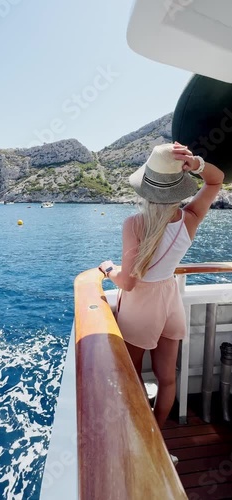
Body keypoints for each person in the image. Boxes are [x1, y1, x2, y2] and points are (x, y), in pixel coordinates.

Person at [99, 142, 224, 452]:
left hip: (142, 305)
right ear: (177, 187)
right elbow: (216, 179)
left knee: (133, 376)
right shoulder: (190, 217)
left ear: (146, 187)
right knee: (167, 378)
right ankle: (156, 435)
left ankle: (139, 437)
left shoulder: (135, 224)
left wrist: (108, 268)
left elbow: (127, 282)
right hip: (170, 301)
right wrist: (195, 163)